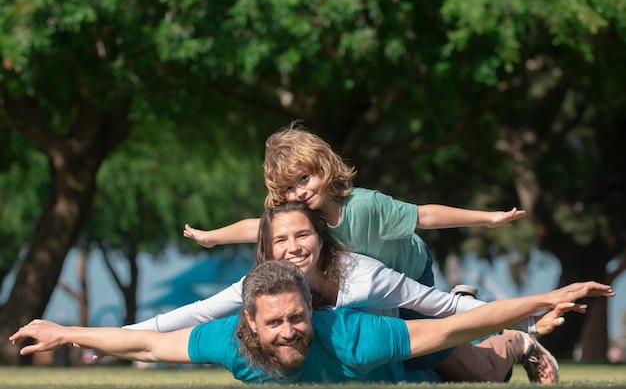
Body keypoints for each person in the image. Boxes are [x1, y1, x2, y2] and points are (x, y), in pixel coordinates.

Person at [130, 203, 554, 382]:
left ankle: (517, 344)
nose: (293, 247)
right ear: (267, 248)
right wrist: (121, 336)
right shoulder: (261, 287)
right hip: (371, 359)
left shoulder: (363, 275)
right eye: (281, 240)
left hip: (408, 326)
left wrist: (526, 319)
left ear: (321, 237)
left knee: (480, 374)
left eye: (303, 235)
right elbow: (195, 314)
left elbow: (439, 305)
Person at [10, 260, 613, 384]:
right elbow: (143, 340)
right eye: (275, 324)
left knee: (483, 370)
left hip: (404, 355)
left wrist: (540, 299)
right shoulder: (231, 343)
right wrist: (63, 332)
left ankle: (516, 346)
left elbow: (454, 327)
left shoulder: (348, 333)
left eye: (296, 318)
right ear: (249, 322)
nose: (290, 330)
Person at [184, 121, 526, 288]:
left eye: (304, 179)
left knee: (430, 340)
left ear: (323, 168)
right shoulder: (304, 220)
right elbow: (257, 226)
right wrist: (212, 236)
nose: (299, 193)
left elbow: (425, 215)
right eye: (289, 188)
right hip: (370, 282)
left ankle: (460, 309)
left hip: (411, 270)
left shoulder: (366, 205)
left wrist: (488, 219)